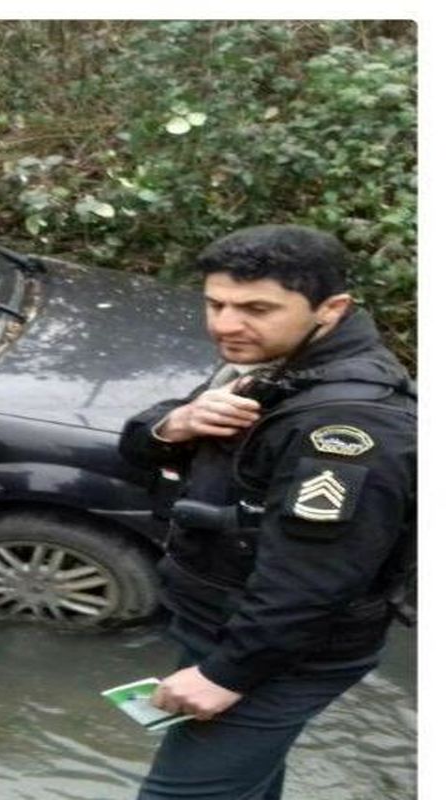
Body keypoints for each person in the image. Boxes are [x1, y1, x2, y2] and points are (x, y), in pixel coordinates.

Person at [118, 224, 416, 799]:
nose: (226, 324)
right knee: (245, 785)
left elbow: (313, 580)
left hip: (284, 652)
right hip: (229, 624)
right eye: (215, 304)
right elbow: (137, 449)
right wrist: (171, 425)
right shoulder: (275, 364)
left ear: (330, 308)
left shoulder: (348, 428)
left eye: (256, 307)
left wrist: (225, 675)